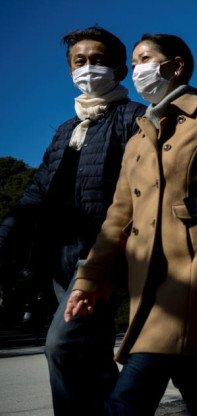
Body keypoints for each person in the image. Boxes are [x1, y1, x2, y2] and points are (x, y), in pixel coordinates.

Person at [64, 33, 197, 415]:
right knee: (192, 376)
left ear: (175, 66)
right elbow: (117, 218)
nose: (138, 68)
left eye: (145, 59)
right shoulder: (138, 137)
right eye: (135, 61)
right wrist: (90, 279)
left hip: (191, 266)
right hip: (145, 275)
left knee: (133, 390)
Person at [0, 27, 145, 415]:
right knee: (91, 361)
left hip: (100, 258)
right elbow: (35, 193)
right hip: (57, 261)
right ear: (69, 72)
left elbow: (144, 191)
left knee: (61, 347)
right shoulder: (66, 130)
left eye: (97, 60)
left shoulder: (134, 118)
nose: (88, 68)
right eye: (79, 62)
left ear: (119, 69)